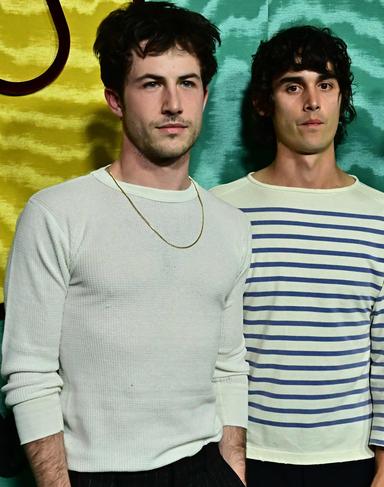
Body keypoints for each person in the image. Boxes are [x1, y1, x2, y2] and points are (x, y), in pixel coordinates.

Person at [1, 3, 250, 486]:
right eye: (151, 83)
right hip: (97, 473)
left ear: (204, 94)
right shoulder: (57, 213)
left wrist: (234, 468)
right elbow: (29, 374)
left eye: (188, 82)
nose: (173, 104)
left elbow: (229, 365)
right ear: (116, 99)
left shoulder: (231, 225)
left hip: (205, 468)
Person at [212, 25, 384, 487]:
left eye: (325, 85)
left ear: (341, 100)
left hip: (352, 461)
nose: (312, 102)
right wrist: (227, 459)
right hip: (245, 457)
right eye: (293, 86)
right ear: (265, 103)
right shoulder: (221, 209)